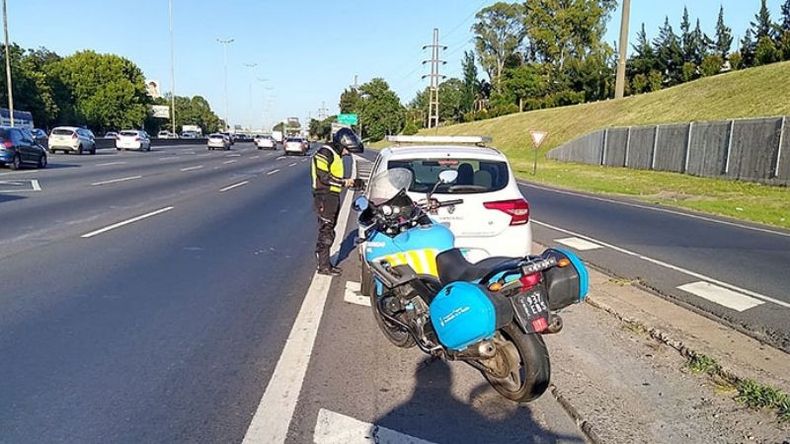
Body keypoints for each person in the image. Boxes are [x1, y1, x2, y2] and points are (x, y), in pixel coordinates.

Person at [311, 128, 363, 276]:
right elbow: (324, 177)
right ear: (341, 144)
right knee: (326, 231)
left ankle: (326, 263)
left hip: (332, 196)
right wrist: (345, 182)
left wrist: (352, 183)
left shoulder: (335, 154)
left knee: (330, 229)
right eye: (347, 150)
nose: (348, 153)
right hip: (324, 196)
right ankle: (323, 266)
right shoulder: (324, 152)